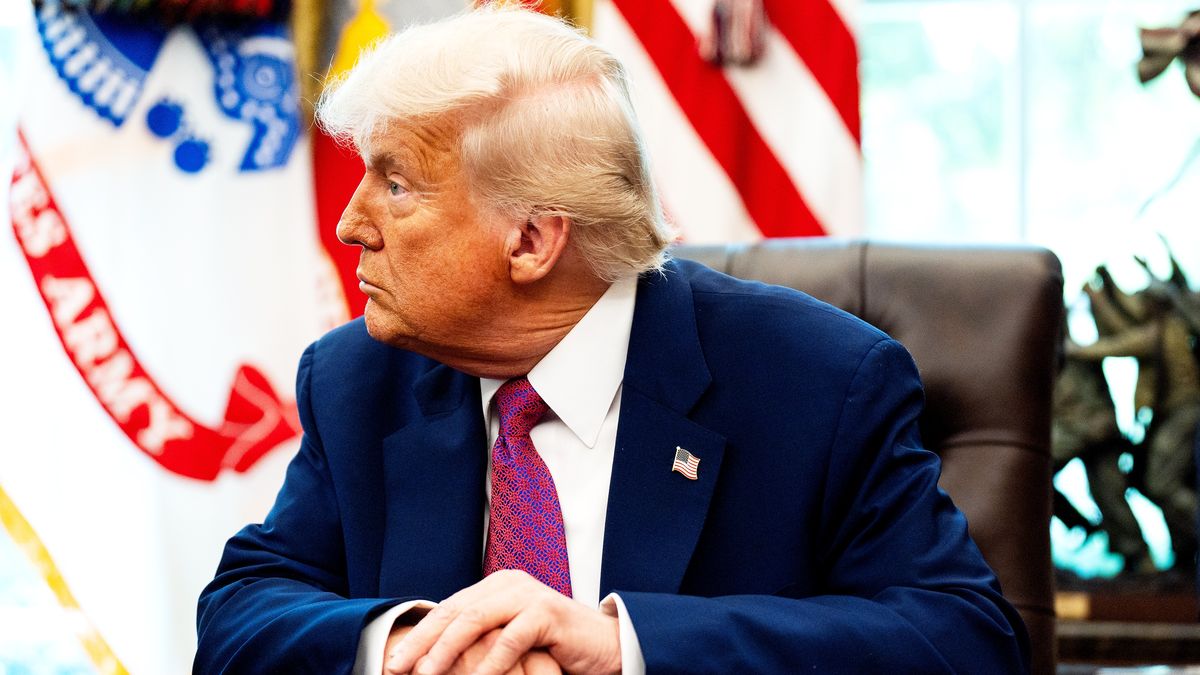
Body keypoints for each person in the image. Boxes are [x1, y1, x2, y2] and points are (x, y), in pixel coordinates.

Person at [195, 7, 1030, 674]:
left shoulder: (819, 381)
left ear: (531, 238)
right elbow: (241, 612)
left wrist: (626, 644)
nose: (350, 223)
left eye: (398, 184)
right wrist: (412, 640)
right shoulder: (358, 378)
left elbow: (963, 640)